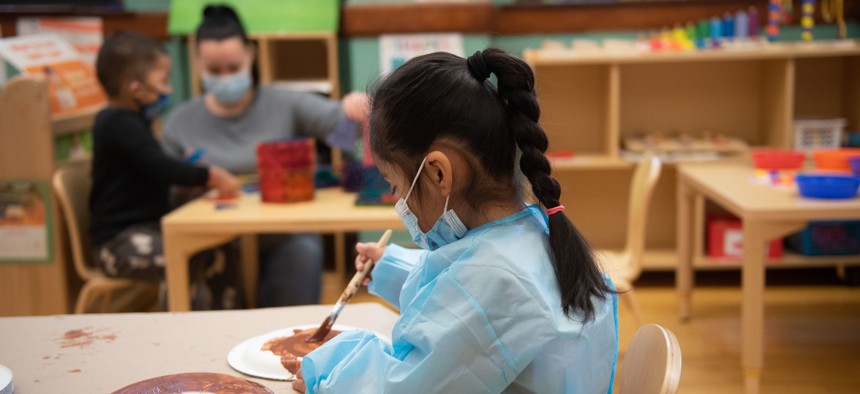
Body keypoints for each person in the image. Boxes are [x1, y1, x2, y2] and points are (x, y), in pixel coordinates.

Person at [293, 49, 619, 393]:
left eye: (396, 186)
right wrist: (389, 266)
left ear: (437, 173)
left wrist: (328, 372)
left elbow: (405, 386)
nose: (399, 203)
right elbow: (458, 292)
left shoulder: (494, 280)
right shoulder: (528, 230)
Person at [161, 5, 369, 307]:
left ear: (250, 54)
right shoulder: (178, 123)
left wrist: (357, 108)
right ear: (197, 62)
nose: (225, 77)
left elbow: (342, 122)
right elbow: (164, 193)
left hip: (279, 235)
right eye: (214, 71)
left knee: (303, 250)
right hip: (210, 239)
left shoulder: (285, 103)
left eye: (233, 68)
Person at [90, 31, 244, 310]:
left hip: (152, 230)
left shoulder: (134, 123)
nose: (169, 90)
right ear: (135, 89)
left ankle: (223, 322)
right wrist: (209, 175)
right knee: (181, 259)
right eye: (162, 81)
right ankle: (179, 334)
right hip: (118, 244)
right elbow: (160, 167)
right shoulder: (116, 124)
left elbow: (150, 173)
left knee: (217, 251)